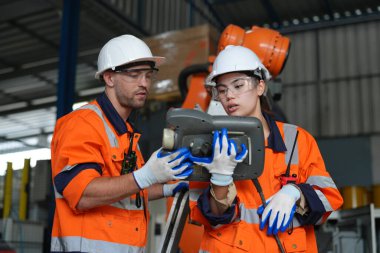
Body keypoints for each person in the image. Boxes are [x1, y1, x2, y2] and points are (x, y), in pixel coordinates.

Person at [188, 45, 343, 252]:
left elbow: (329, 199)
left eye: (238, 85)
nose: (229, 96)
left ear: (260, 86)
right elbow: (205, 215)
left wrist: (296, 193)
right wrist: (220, 181)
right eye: (222, 90)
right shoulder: (208, 144)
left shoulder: (297, 140)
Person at [50, 35, 192, 253]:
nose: (144, 83)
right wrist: (145, 176)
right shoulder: (82, 124)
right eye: (134, 75)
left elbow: (127, 192)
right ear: (109, 78)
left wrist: (166, 189)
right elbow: (83, 194)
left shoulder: (126, 134)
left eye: (148, 75)